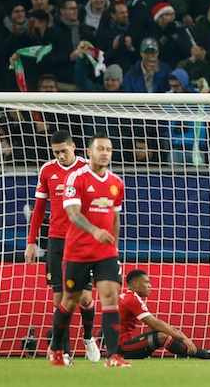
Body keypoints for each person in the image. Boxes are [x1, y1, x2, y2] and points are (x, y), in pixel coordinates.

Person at [49, 132, 128, 367]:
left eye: (108, 149)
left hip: (105, 252)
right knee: (70, 301)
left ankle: (113, 356)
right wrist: (94, 231)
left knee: (110, 298)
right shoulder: (76, 178)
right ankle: (56, 349)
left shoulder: (117, 183)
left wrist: (114, 246)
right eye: (100, 148)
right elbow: (73, 213)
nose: (105, 153)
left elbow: (115, 219)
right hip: (78, 251)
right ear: (89, 152)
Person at [25, 130, 100, 365]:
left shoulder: (89, 168)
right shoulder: (47, 170)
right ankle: (64, 353)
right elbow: (38, 209)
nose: (60, 156)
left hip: (82, 240)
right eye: (56, 152)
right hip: (56, 240)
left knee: (85, 297)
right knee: (59, 299)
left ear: (74, 147)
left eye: (64, 151)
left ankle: (88, 338)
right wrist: (30, 242)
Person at [118, 269, 210, 360]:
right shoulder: (132, 300)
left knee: (162, 331)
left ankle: (184, 351)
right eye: (146, 282)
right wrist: (184, 338)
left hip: (119, 344)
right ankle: (204, 354)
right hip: (123, 348)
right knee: (161, 336)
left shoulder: (125, 297)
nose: (150, 286)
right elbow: (155, 324)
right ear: (136, 284)